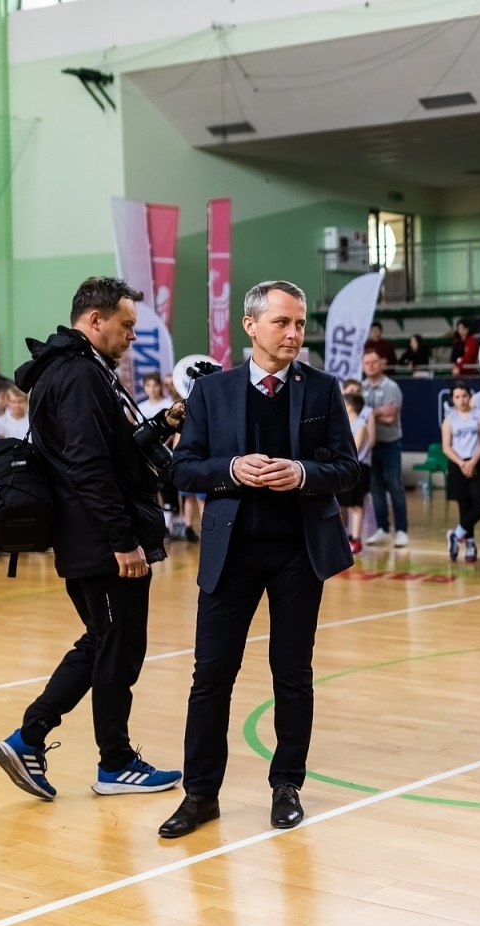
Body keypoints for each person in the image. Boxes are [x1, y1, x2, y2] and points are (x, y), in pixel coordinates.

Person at [157, 280, 359, 839]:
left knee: (292, 674)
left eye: (299, 324)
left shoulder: (321, 388)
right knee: (211, 676)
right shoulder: (211, 392)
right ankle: (200, 796)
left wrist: (302, 474)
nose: (294, 333)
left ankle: (286, 785)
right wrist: (229, 471)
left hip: (299, 553)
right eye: (282, 323)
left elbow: (348, 468)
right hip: (231, 553)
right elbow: (180, 469)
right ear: (250, 326)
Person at [0, 277, 180, 803]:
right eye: (126, 326)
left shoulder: (79, 370)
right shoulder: (77, 375)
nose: (131, 337)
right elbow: (89, 466)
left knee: (102, 640)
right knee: (119, 647)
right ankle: (113, 763)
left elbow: (111, 450)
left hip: (88, 535)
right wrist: (122, 541)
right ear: (94, 320)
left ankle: (28, 737)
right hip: (100, 540)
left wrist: (163, 422)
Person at [357, 350, 408, 548]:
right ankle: (383, 529)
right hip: (369, 446)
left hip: (390, 443)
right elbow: (355, 414)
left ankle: (402, 530)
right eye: (367, 362)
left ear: (381, 364)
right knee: (375, 489)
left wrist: (368, 414)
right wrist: (377, 412)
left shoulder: (391, 387)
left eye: (374, 362)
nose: (370, 365)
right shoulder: (360, 387)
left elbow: (390, 418)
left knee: (395, 486)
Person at [442, 383, 480, 563]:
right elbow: (446, 447)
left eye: (464, 396)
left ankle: (456, 534)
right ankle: (470, 542)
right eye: (457, 397)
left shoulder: (479, 415)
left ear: (469, 396)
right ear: (452, 399)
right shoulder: (449, 419)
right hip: (458, 464)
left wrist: (472, 462)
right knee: (464, 504)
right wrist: (462, 463)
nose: (461, 400)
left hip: (479, 462)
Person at [339, 391, 372, 554]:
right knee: (341, 504)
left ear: (350, 407)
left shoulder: (361, 425)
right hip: (342, 467)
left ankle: (356, 539)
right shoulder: (342, 424)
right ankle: (342, 536)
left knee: (356, 506)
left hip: (358, 467)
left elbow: (355, 449)